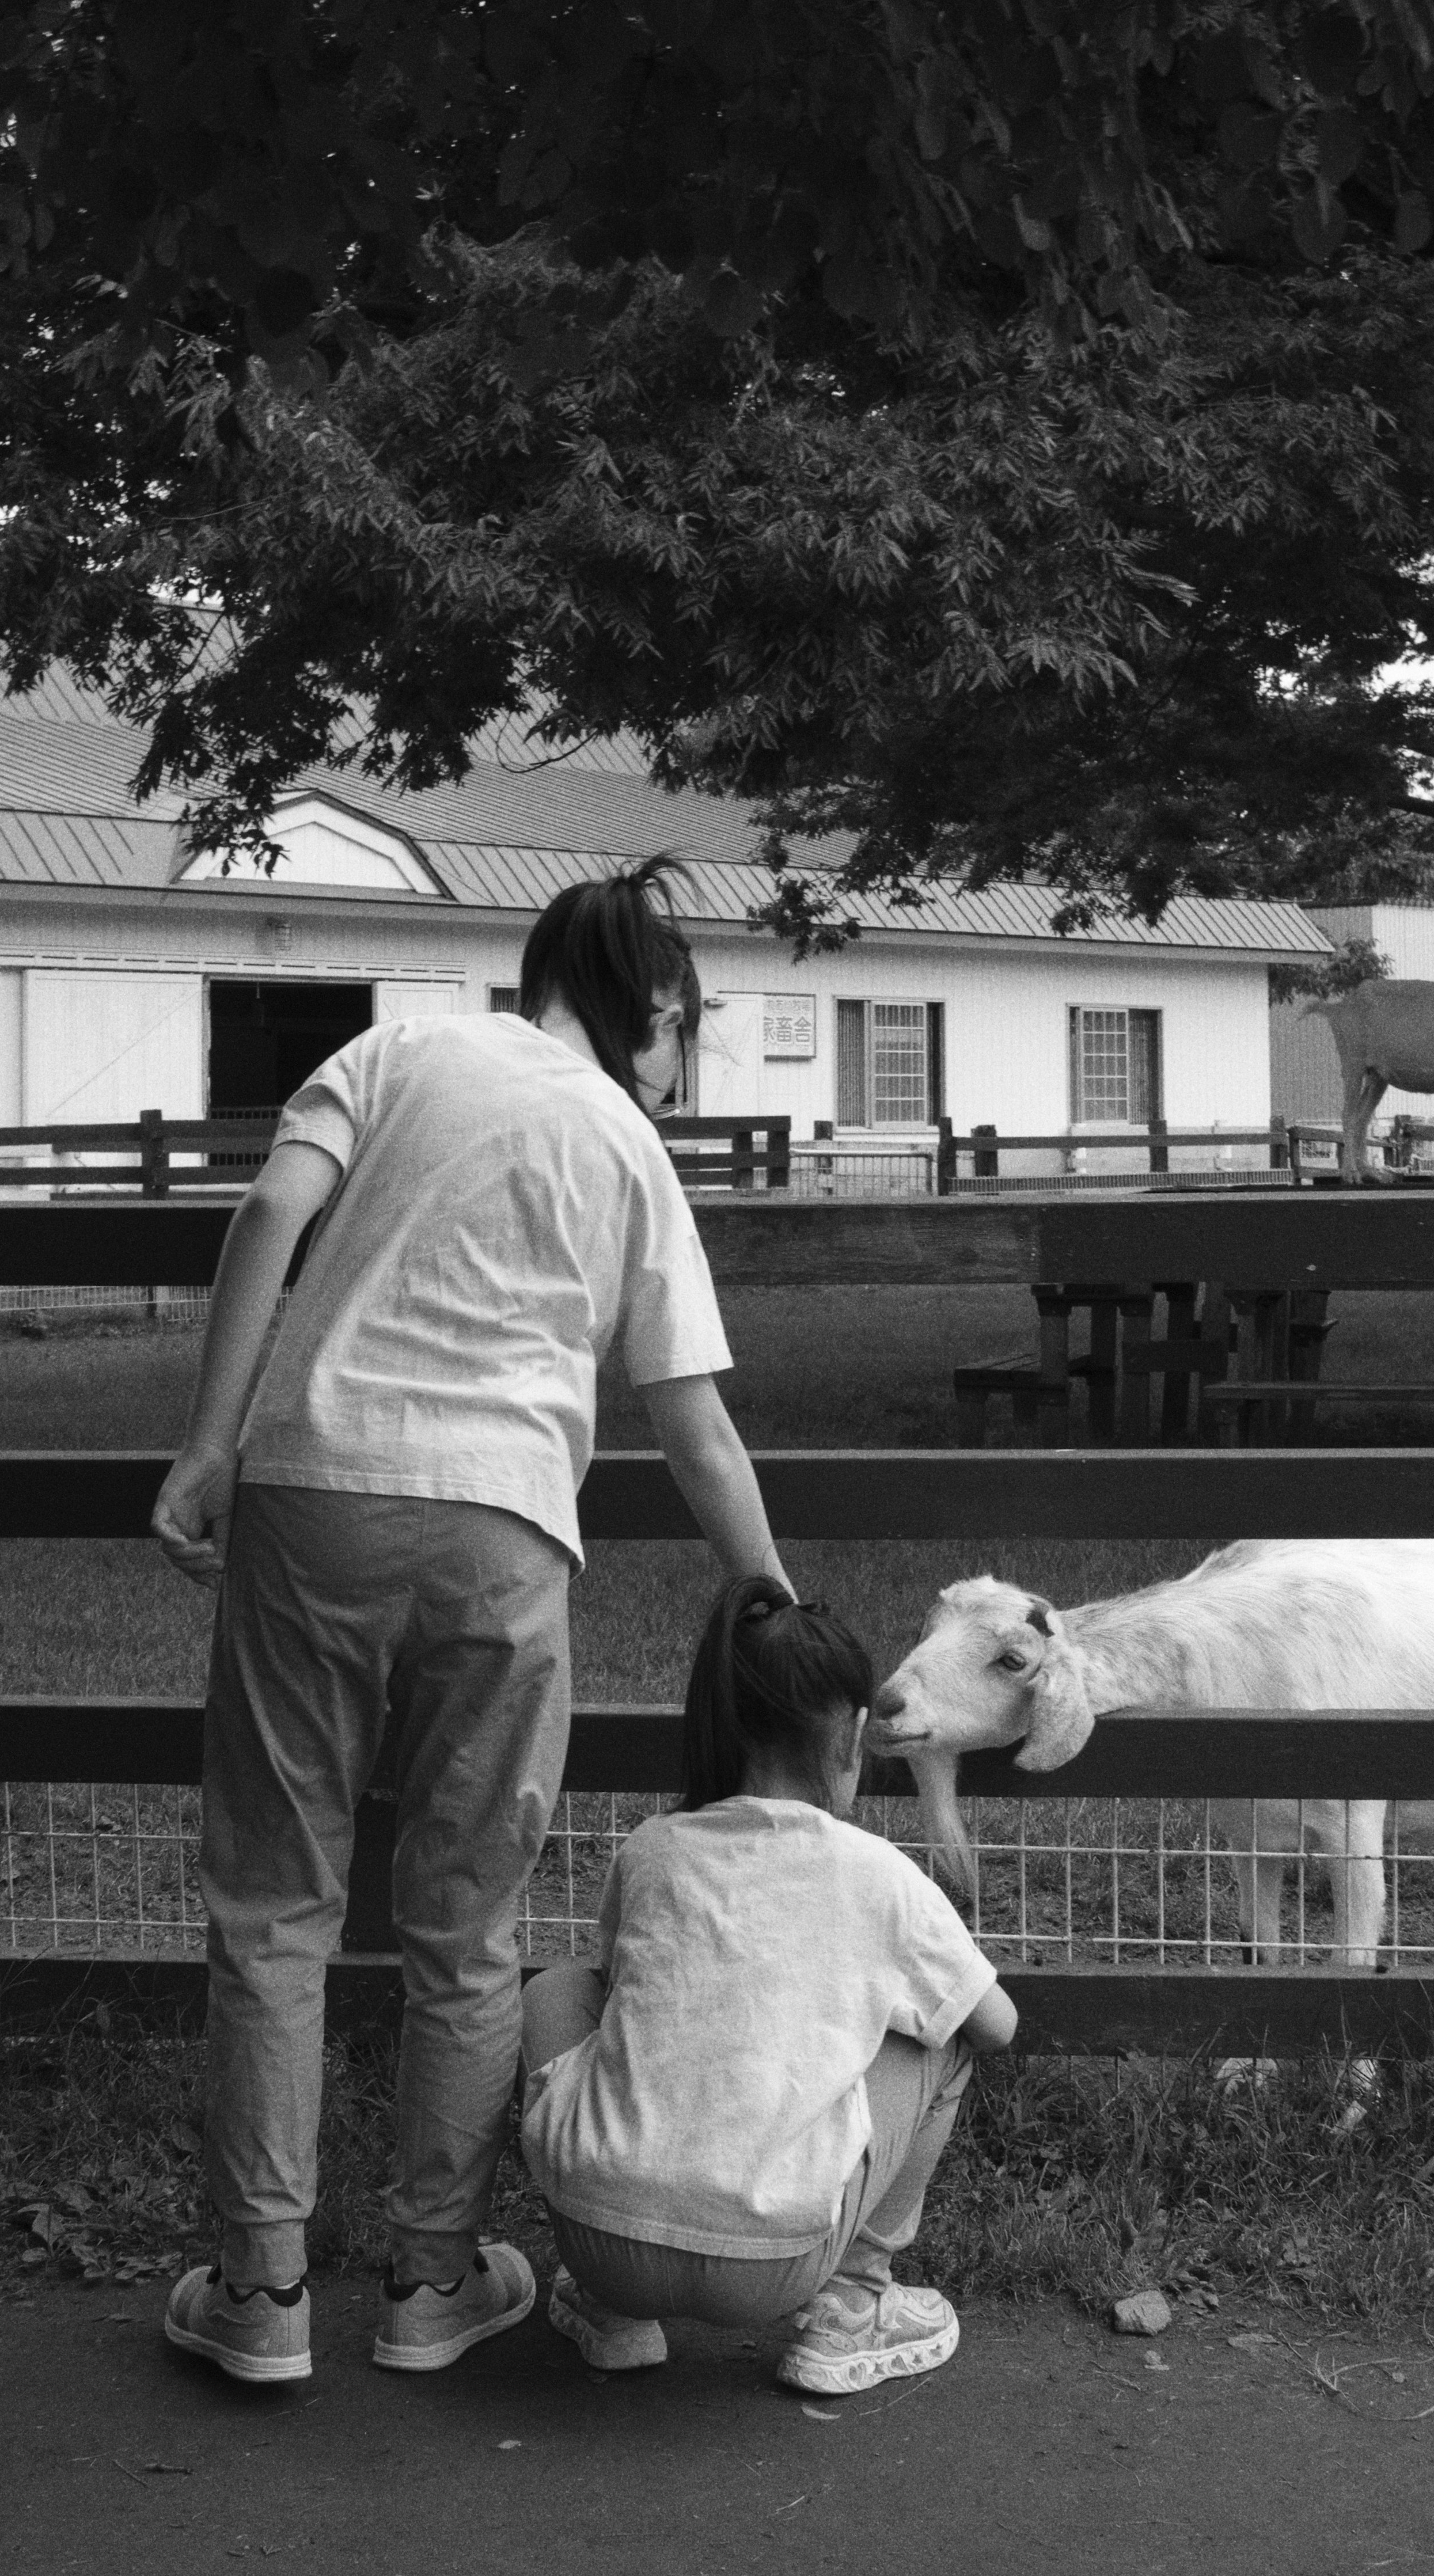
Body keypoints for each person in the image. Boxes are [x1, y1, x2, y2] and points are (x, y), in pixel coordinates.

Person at [154, 858, 787, 2389]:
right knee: (464, 1925)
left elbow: (268, 1213)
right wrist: (771, 1590)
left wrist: (208, 1442)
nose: (680, 1056)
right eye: (681, 1022)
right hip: (503, 1528)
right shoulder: (627, 1146)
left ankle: (258, 2294)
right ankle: (433, 2282)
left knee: (274, 1908)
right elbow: (693, 1423)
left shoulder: (398, 1051)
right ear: (645, 1007)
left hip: (310, 1495)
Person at [519, 1580, 1018, 2396]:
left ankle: (611, 2315)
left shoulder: (651, 1850)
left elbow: (614, 1992)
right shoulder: (883, 1878)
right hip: (771, 2265)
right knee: (950, 2029)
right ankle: (853, 2306)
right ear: (855, 1737)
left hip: (600, 2241)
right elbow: (997, 2024)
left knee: (558, 1989)